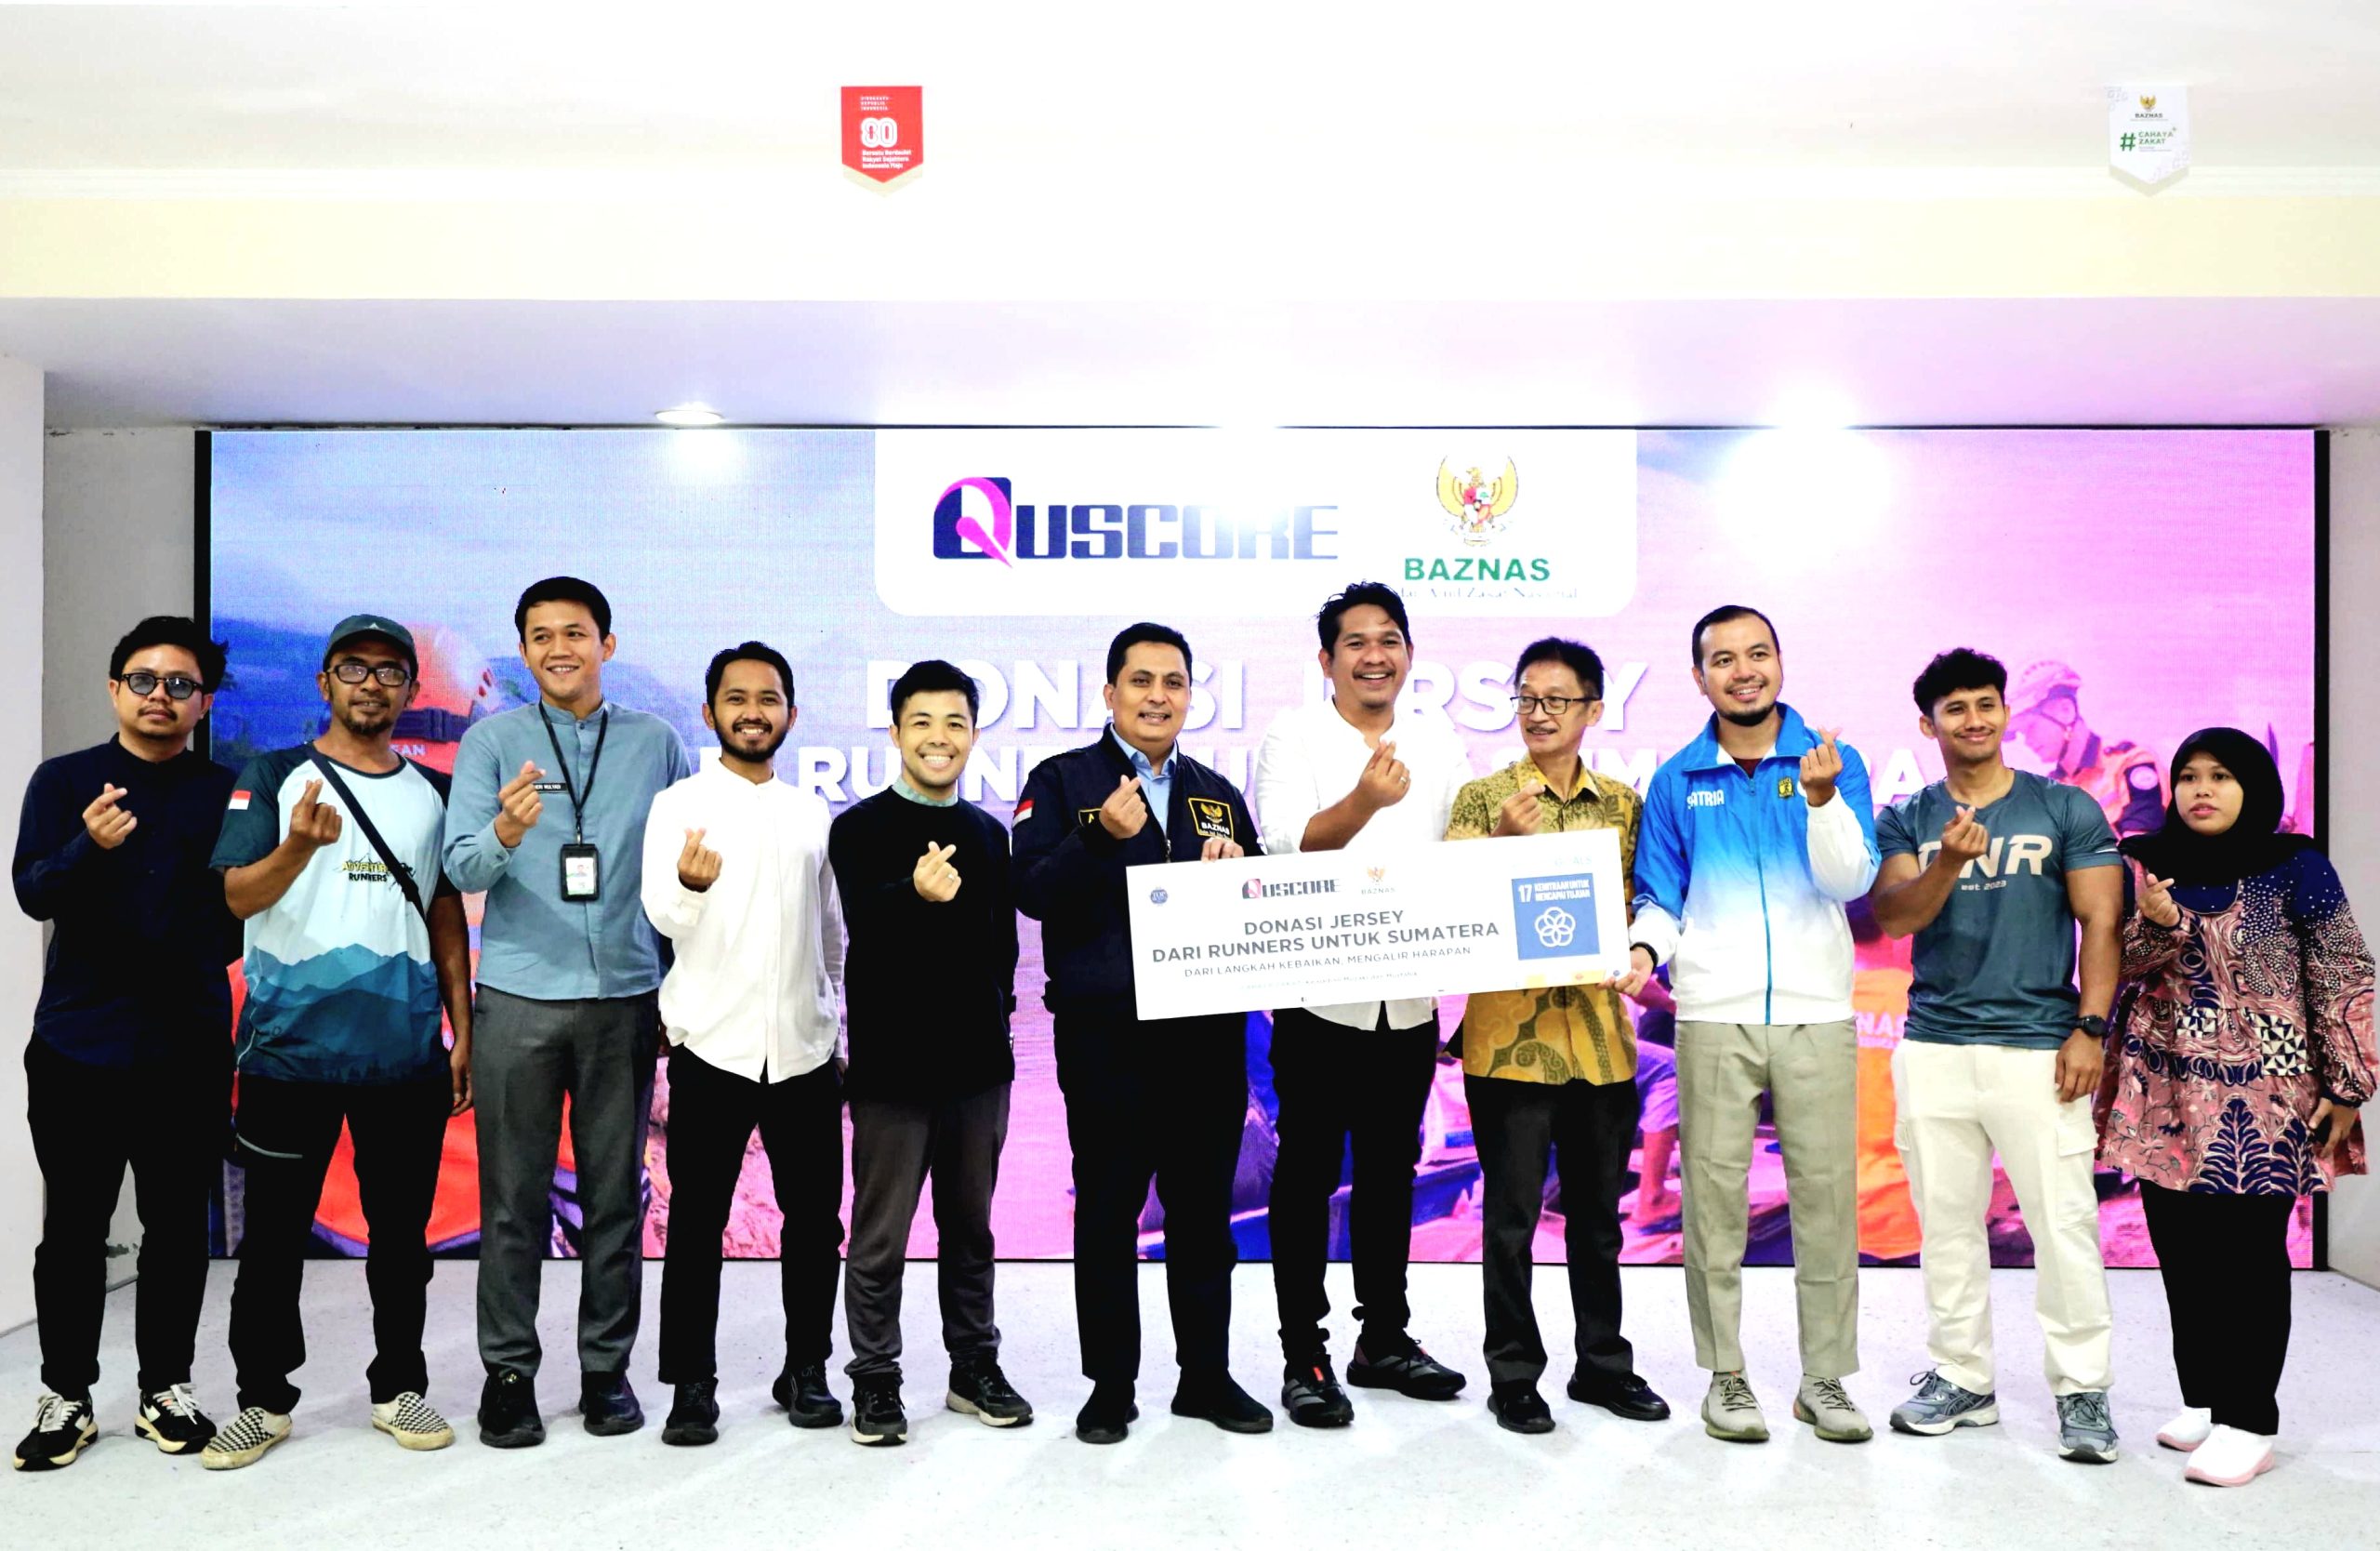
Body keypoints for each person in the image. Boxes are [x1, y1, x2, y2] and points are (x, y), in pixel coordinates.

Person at [202, 616, 475, 1468]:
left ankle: (399, 1387)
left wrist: (461, 1030)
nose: (371, 684)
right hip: (289, 1056)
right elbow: (237, 898)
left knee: (402, 1242)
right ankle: (262, 1400)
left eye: (390, 672)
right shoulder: (273, 776)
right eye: (354, 668)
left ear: (408, 690)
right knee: (272, 1243)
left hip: (403, 1058)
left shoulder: (431, 795)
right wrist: (297, 846)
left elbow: (443, 915)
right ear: (325, 682)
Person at [444, 577, 693, 1446]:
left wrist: (675, 992)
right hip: (519, 996)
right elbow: (463, 867)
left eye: (576, 633)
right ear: (524, 650)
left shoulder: (657, 744)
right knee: (512, 1201)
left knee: (613, 1198)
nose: (560, 649)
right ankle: (509, 1374)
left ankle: (605, 1372)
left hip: (624, 996)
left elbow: (682, 876)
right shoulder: (492, 742)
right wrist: (507, 832)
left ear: (606, 645)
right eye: (542, 636)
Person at [1627, 604, 1879, 1445]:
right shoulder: (1676, 780)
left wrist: (1822, 800)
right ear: (1700, 678)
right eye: (1724, 659)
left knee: (1825, 1200)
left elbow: (1850, 881)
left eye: (1758, 653)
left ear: (1780, 663)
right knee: (1713, 1201)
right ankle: (1725, 1375)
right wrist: (1643, 950)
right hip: (1713, 1014)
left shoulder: (1832, 763)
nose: (1744, 671)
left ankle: (1824, 1379)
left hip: (1815, 1012)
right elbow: (1660, 896)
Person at [1013, 622, 1269, 1445]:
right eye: (1142, 681)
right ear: (1110, 692)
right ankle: (1110, 1386)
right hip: (1106, 1040)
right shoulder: (1062, 780)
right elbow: (1032, 890)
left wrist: (1243, 876)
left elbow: (1262, 903)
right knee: (1108, 1211)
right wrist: (1099, 837)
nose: (1158, 697)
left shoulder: (1214, 791)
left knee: (1203, 1216)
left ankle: (1205, 1377)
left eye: (1174, 682)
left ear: (1191, 696)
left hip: (1205, 1039)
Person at [1867, 648, 2122, 1463]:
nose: (1973, 719)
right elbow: (1897, 918)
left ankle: (2082, 1390)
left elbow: (2102, 922)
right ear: (1928, 725)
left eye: (1986, 704)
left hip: (2040, 1049)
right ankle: (1962, 1378)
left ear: (2006, 712)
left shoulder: (2064, 807)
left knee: (2064, 1226)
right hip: (1935, 1047)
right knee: (1946, 1228)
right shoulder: (1907, 818)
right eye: (1955, 708)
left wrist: (2090, 1029)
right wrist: (1948, 861)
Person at [2104, 729, 2374, 1488]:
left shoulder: (2296, 867)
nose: (2202, 789)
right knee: (2182, 1251)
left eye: (2221, 775)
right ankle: (2205, 1397)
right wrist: (2154, 925)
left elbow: (2343, 972)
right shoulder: (2147, 862)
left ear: (2253, 786)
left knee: (2248, 1258)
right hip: (2163, 1081)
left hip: (2268, 1080)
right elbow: (2119, 967)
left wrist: (2347, 1086)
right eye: (2189, 775)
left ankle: (2249, 1419)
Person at [11, 617, 240, 1471]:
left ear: (203, 702)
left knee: (176, 1227)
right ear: (115, 689)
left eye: (180, 685)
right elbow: (33, 892)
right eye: (143, 680)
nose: (159, 697)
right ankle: (66, 1395)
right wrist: (89, 845)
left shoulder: (227, 792)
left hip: (187, 1046)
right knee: (74, 1228)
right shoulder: (64, 780)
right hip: (79, 1044)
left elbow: (239, 914)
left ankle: (164, 1389)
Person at [1249, 582, 1470, 1427]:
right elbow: (1285, 849)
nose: (1375, 656)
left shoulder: (1438, 739)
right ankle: (1303, 1353)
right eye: (1356, 642)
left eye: (1389, 640)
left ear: (1408, 653)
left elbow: (1464, 852)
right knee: (1307, 1176)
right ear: (1327, 659)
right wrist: (1365, 802)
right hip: (1318, 1001)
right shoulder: (1292, 735)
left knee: (1390, 1174)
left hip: (1409, 1004)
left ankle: (1384, 1339)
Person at [1444, 637, 1670, 1434]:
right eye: (1526, 699)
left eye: (1557, 700)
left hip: (1602, 1044)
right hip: (1508, 1045)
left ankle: (1603, 1366)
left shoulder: (1625, 804)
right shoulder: (1484, 799)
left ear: (1594, 710)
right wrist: (1502, 844)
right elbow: (1448, 906)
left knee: (1598, 1224)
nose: (1538, 714)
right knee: (1510, 1224)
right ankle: (1513, 1374)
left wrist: (1642, 951)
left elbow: (1648, 902)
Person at [638, 642, 847, 1448]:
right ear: (710, 712)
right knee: (696, 1225)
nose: (753, 712)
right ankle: (692, 1386)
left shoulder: (810, 812)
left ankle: (807, 1369)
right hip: (711, 1048)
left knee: (815, 1224)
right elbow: (662, 915)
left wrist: (833, 1021)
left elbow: (831, 934)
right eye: (737, 698)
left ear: (790, 714)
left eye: (768, 699)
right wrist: (691, 887)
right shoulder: (678, 805)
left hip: (803, 1051)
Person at [830, 659, 1030, 1447]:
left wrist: (999, 1030)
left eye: (955, 723)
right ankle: (875, 1378)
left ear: (973, 735)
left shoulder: (987, 834)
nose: (939, 738)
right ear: (895, 733)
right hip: (893, 1072)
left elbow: (1002, 950)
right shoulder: (858, 828)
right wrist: (914, 894)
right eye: (922, 722)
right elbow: (866, 927)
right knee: (880, 1237)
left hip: (977, 1071)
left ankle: (973, 1367)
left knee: (971, 1230)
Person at [2004, 659, 2165, 839]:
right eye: (2021, 733)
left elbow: (2141, 849)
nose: (2027, 741)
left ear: (2066, 711)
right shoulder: (2051, 791)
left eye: (2030, 728)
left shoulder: (2129, 763)